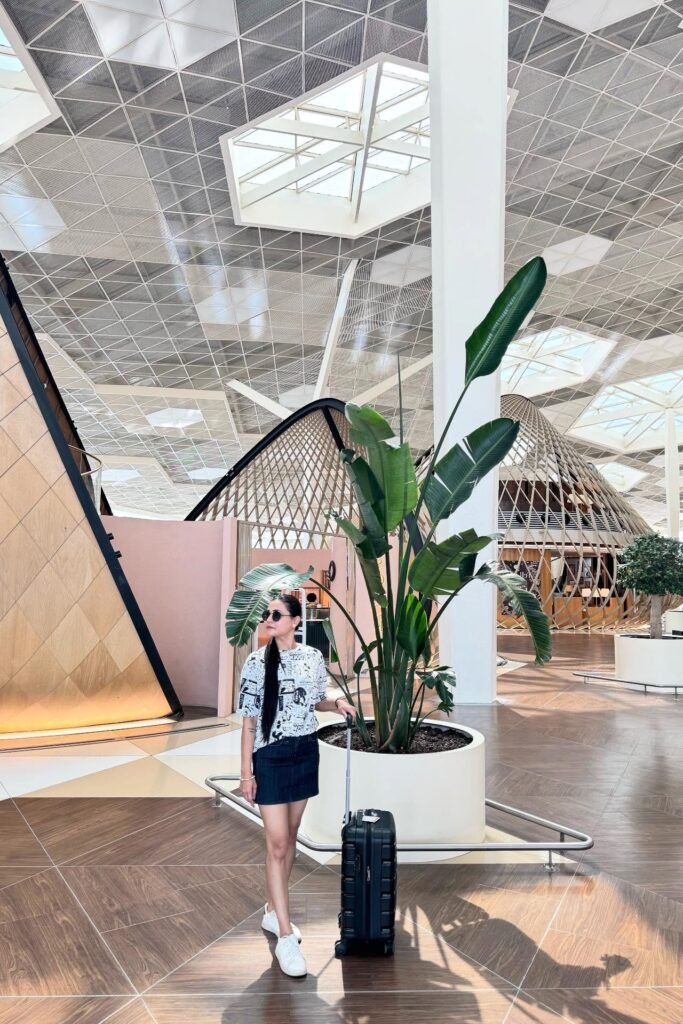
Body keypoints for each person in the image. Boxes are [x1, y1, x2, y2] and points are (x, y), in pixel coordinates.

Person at [236, 592, 357, 978]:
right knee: (276, 843)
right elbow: (249, 723)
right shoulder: (256, 662)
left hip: (305, 750)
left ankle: (273, 912)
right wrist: (246, 773)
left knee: (290, 836)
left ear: (295, 621)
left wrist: (336, 704)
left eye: (276, 614)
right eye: (266, 615)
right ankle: (286, 936)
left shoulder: (313, 657)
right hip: (270, 757)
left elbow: (315, 700)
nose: (269, 619)